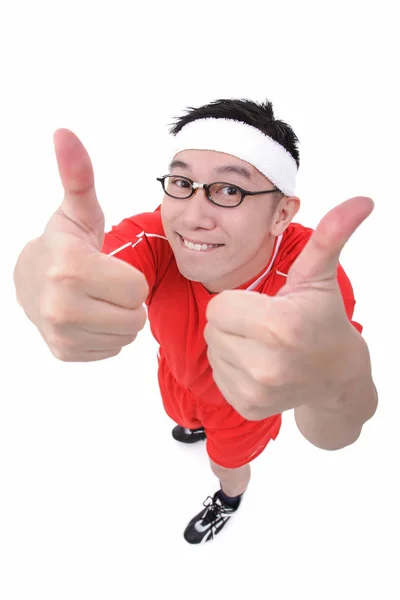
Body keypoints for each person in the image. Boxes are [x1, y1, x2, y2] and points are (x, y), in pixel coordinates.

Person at [13, 98, 378, 545]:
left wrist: (338, 386)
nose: (191, 218)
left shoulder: (310, 283)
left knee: (227, 463)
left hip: (241, 407)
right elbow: (88, 266)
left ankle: (229, 497)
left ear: (281, 214)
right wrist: (46, 274)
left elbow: (331, 432)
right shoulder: (155, 237)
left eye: (229, 190)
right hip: (176, 373)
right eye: (182, 182)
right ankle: (193, 425)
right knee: (182, 413)